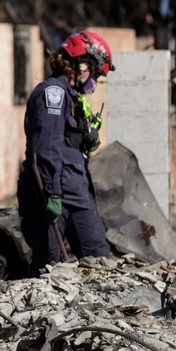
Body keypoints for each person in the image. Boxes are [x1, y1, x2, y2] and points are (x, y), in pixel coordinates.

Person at [17, 30, 114, 274]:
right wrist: (51, 193)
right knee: (49, 267)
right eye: (95, 74)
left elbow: (68, 146)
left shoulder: (74, 98)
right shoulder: (53, 94)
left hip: (78, 194)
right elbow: (45, 147)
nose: (94, 81)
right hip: (52, 196)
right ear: (80, 64)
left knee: (100, 261)